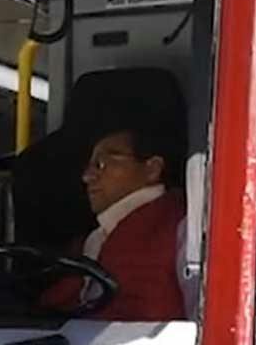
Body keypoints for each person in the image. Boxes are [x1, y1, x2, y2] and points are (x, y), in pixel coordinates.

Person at [38, 123, 189, 321]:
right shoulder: (95, 238)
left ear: (152, 169)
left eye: (101, 164)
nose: (87, 177)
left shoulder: (183, 228)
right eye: (89, 166)